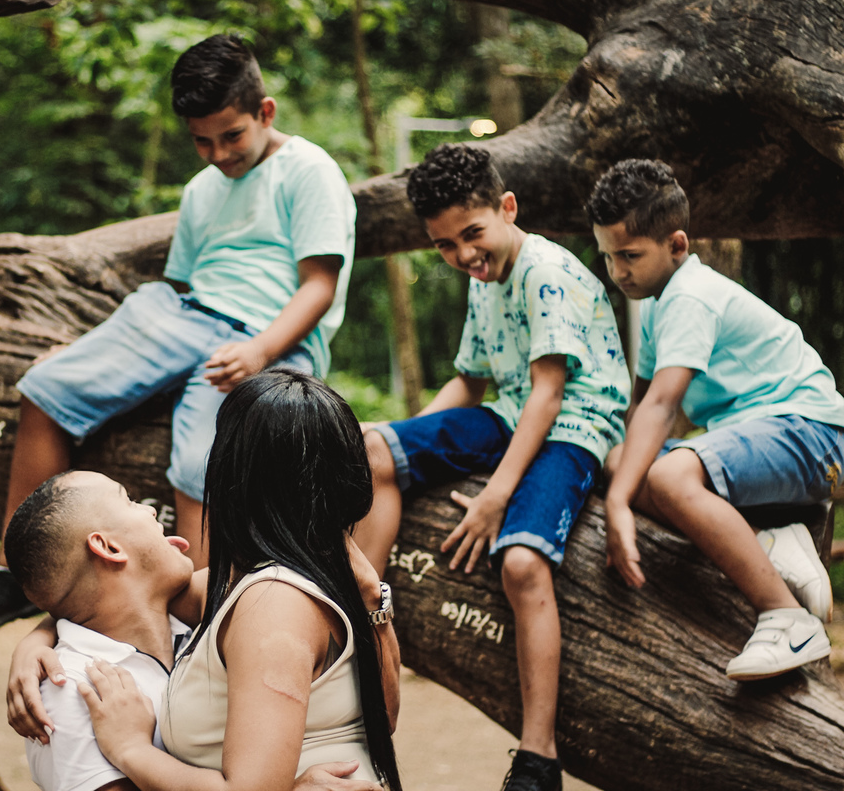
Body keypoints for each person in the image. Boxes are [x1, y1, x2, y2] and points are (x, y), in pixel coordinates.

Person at [0, 33, 356, 642]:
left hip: (267, 334)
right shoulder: (201, 189)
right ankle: (11, 576)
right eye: (202, 141)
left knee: (199, 464)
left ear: (265, 112)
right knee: (45, 388)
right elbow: (177, 288)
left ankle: (201, 623)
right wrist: (88, 350)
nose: (217, 153)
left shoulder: (309, 169)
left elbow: (319, 285)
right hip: (185, 313)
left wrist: (260, 352)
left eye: (231, 136)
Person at [354, 144, 630, 791]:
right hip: (510, 412)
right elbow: (469, 381)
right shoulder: (484, 278)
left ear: (507, 208)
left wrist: (494, 497)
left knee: (522, 562)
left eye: (472, 234)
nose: (463, 254)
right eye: (445, 245)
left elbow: (549, 395)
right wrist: (403, 442)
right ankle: (364, 616)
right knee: (371, 448)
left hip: (573, 424)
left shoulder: (545, 272)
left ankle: (538, 757)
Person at [7, 370, 402, 791]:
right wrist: (39, 639)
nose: (151, 509)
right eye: (130, 500)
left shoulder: (262, 598)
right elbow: (88, 604)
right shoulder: (76, 684)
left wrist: (131, 750)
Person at [587, 158, 844, 681]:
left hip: (815, 434)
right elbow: (642, 408)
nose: (618, 272)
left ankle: (788, 620)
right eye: (609, 257)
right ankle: (767, 535)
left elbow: (663, 405)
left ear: (677, 245)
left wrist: (618, 505)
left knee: (665, 475)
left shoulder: (691, 295)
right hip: (762, 443)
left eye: (630, 255)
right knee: (617, 460)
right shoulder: (658, 305)